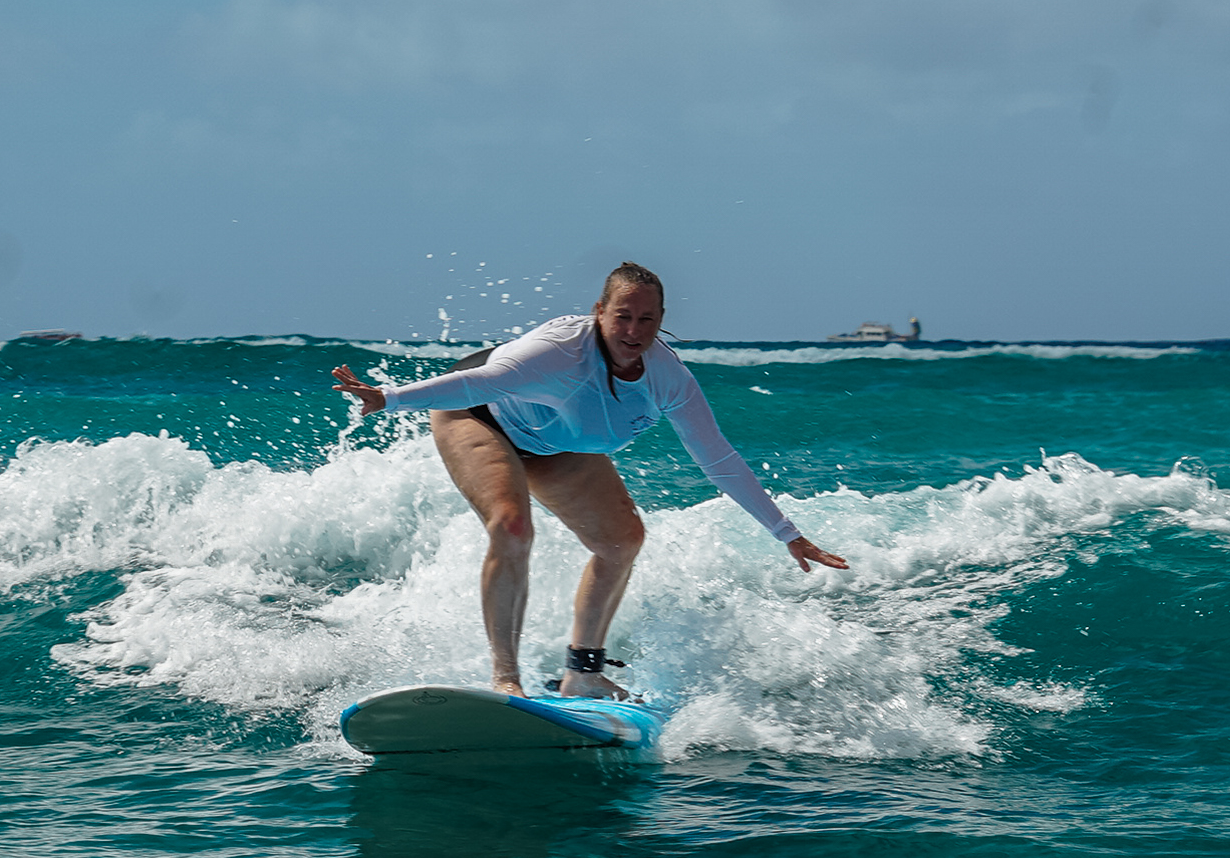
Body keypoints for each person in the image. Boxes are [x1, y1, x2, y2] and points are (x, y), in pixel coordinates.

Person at [330, 263, 847, 699]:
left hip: (554, 442)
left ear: (661, 320)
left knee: (622, 540)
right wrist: (389, 399)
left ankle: (583, 673)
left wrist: (788, 534)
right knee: (511, 526)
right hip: (479, 416)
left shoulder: (669, 379)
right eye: (622, 316)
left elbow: (718, 459)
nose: (633, 331)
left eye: (646, 319)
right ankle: (506, 680)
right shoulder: (558, 351)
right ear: (599, 312)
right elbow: (478, 382)